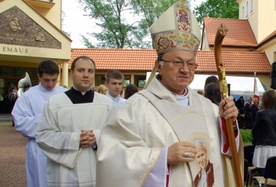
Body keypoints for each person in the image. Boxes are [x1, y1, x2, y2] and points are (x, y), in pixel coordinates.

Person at [96, 1, 242, 186]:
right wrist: (162, 157)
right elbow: (110, 158)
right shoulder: (137, 107)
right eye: (177, 62)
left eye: (191, 64)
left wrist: (228, 124)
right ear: (159, 65)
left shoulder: (208, 108)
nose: (185, 70)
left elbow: (228, 155)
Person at [36, 56, 113, 187]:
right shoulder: (55, 103)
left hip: (96, 168)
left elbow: (117, 135)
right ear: (72, 73)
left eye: (90, 71)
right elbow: (43, 136)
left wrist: (97, 137)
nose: (86, 75)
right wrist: (75, 139)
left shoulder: (106, 104)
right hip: (65, 172)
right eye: (81, 70)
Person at [12, 60, 67, 187]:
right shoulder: (28, 96)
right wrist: (48, 120)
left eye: (54, 80)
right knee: (39, 181)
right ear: (39, 77)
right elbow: (20, 122)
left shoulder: (66, 94)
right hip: (38, 147)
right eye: (46, 80)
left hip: (62, 145)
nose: (50, 84)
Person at [252, 90, 276, 176]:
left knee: (263, 169)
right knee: (273, 170)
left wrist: (255, 140)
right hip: (274, 145)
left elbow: (254, 130)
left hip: (263, 144)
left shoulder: (261, 113)